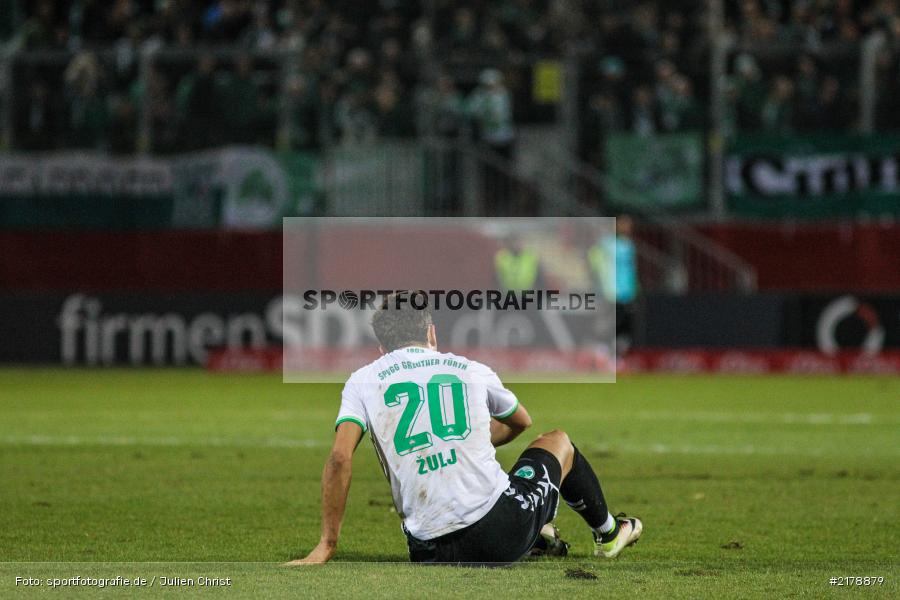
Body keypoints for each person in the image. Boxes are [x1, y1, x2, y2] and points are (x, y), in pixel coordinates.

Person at [286, 292, 642, 566]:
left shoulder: (361, 380)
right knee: (558, 441)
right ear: (431, 333)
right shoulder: (470, 369)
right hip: (498, 535)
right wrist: (466, 441)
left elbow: (339, 458)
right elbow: (521, 421)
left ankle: (538, 535)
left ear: (382, 348)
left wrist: (327, 544)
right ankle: (609, 532)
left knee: (489, 493)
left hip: (427, 551)